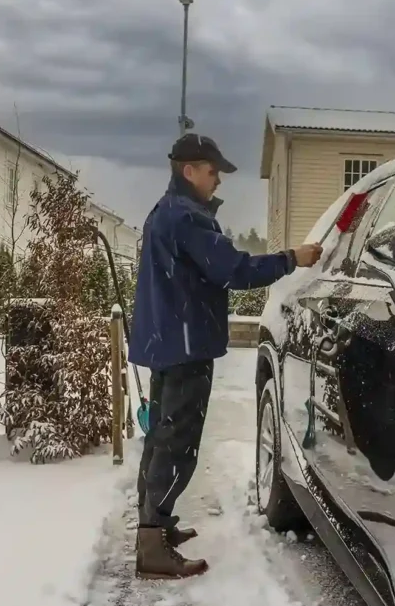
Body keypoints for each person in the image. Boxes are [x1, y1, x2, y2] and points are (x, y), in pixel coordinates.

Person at [128, 132, 323, 580]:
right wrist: (292, 258)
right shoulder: (186, 218)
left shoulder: (166, 212)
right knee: (177, 445)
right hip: (185, 346)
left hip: (170, 343)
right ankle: (151, 542)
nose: (218, 181)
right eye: (213, 172)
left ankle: (154, 527)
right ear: (189, 170)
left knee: (161, 437)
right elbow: (234, 270)